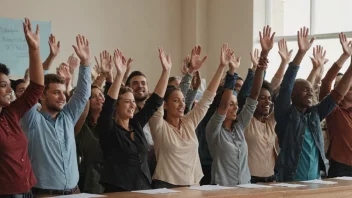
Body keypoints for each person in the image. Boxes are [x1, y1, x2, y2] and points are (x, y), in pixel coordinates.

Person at [274, 27, 351, 182]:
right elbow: (286, 85)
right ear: (293, 95)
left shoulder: (315, 114)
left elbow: (337, 94)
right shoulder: (285, 115)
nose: (310, 93)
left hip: (315, 182)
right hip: (291, 182)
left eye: (311, 90)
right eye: (305, 89)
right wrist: (300, 53)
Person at [20, 34, 91, 196]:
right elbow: (34, 87)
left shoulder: (68, 117)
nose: (63, 97)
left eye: (62, 92)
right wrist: (43, 55)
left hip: (75, 192)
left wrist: (85, 64)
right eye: (56, 93)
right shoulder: (31, 120)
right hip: (45, 194)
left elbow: (82, 95)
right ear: (42, 95)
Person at [149, 45, 225, 188]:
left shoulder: (188, 122)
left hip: (193, 185)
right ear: (165, 105)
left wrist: (221, 67)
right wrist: (166, 71)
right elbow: (156, 102)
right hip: (167, 187)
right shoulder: (159, 126)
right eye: (176, 101)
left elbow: (207, 99)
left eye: (183, 100)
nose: (181, 105)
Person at [206, 26, 274, 186]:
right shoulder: (213, 129)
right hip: (222, 190)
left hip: (245, 188)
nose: (236, 108)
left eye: (236, 104)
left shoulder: (239, 126)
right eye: (231, 105)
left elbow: (253, 97)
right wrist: (231, 72)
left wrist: (263, 57)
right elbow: (223, 106)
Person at [97, 48, 170, 192]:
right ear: (117, 105)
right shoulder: (108, 129)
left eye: (133, 102)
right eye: (127, 102)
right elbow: (108, 105)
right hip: (119, 192)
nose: (133, 105)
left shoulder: (136, 124)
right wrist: (119, 75)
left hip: (144, 189)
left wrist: (166, 71)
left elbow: (154, 102)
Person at [0, 18, 45, 197]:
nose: (10, 89)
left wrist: (34, 49)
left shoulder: (10, 113)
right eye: (3, 85)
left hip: (27, 191)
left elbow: (36, 88)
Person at [318, 33, 352, 177]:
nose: (347, 87)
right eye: (341, 86)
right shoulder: (334, 110)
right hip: (341, 167)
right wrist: (345, 58)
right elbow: (325, 83)